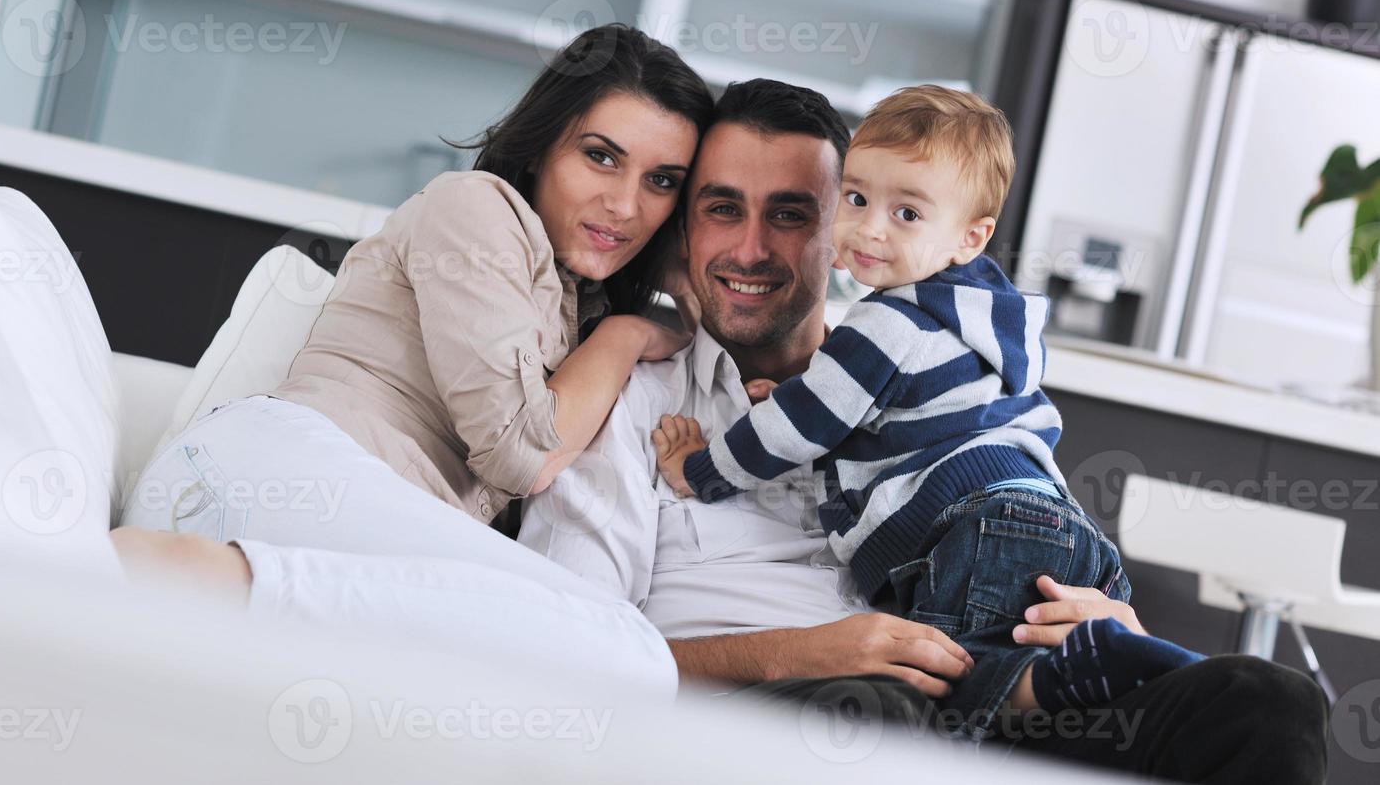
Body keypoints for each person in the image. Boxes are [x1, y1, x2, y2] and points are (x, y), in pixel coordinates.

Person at [519, 78, 1329, 782]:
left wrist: (1113, 626)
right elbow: (564, 657)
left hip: (994, 708)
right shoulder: (629, 404)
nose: (754, 247)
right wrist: (799, 656)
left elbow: (1018, 511)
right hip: (794, 720)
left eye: (796, 213)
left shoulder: (929, 385)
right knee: (874, 707)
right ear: (683, 231)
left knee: (1266, 702)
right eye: (722, 208)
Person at [110, 24, 714, 698]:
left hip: (301, 544)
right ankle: (184, 573)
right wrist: (628, 335)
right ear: (543, 144)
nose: (627, 205)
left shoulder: (578, 306)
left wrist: (682, 275)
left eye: (661, 182)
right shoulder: (475, 209)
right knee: (625, 652)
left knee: (578, 672)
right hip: (267, 479)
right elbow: (522, 452)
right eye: (601, 157)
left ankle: (211, 583)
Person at [652, 85, 1203, 738]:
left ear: (971, 237)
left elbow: (793, 430)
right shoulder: (977, 316)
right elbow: (891, 420)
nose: (872, 228)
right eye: (858, 199)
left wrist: (700, 468)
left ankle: (1101, 676)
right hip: (1064, 530)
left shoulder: (885, 320)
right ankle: (1161, 669)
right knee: (982, 688)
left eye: (907, 213)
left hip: (974, 530)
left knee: (945, 698)